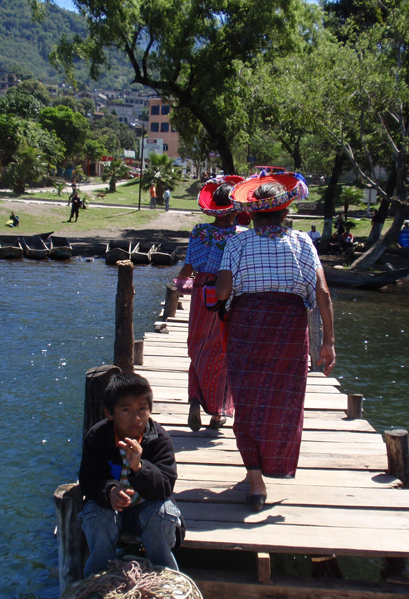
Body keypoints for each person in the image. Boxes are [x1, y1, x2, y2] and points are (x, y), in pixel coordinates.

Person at [215, 173, 336, 512]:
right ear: (285, 213)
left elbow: (224, 292)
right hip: (290, 328)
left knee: (248, 398)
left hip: (248, 325)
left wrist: (215, 294)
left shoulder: (238, 242)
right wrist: (328, 342)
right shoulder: (302, 242)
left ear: (250, 214)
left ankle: (256, 482)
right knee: (283, 400)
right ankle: (274, 464)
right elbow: (322, 292)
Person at [78, 373, 183, 578]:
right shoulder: (97, 437)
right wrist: (109, 490)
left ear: (150, 410)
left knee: (163, 514)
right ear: (109, 413)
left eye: (142, 408)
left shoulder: (159, 440)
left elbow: (165, 486)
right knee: (95, 515)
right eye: (126, 410)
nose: (136, 417)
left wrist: (139, 468)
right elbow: (89, 479)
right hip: (112, 510)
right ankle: (99, 578)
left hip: (147, 506)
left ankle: (164, 575)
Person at [177, 176, 246, 432]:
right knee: (223, 352)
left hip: (201, 293)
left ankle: (195, 398)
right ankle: (217, 413)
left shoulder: (199, 230)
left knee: (197, 348)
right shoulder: (241, 235)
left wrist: (182, 289)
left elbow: (188, 269)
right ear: (235, 207)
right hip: (227, 294)